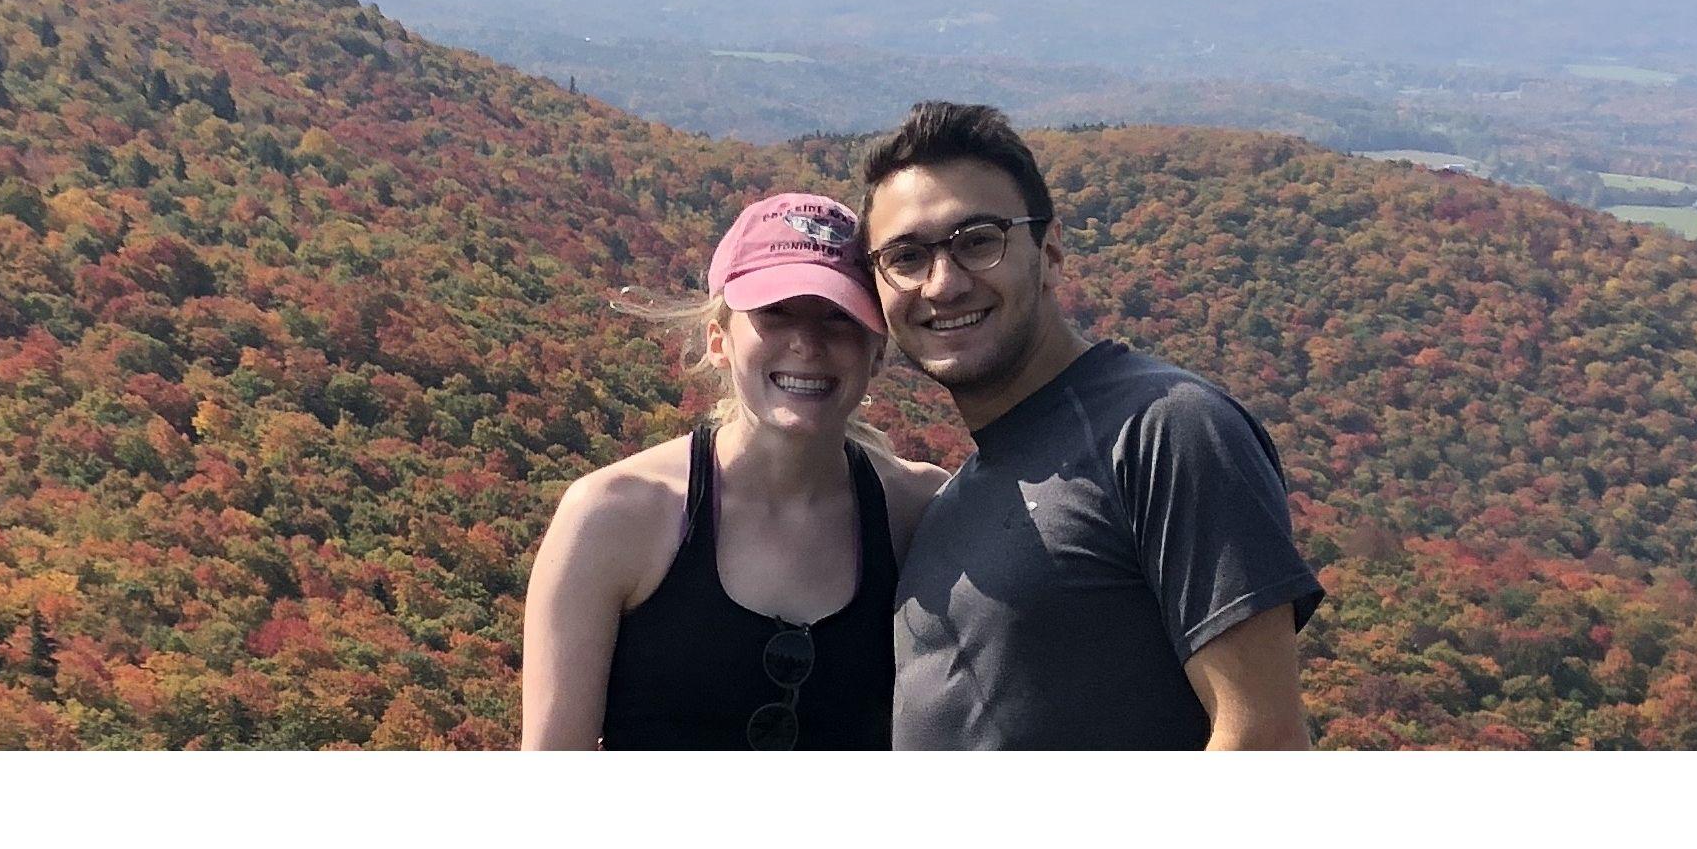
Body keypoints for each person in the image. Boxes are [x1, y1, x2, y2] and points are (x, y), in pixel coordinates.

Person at [859, 101, 1324, 749]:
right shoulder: (954, 499)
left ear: (1049, 254)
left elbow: (1260, 736)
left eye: (977, 242)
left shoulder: (1164, 429)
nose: (942, 283)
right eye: (906, 256)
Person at [521, 192, 948, 749]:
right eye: (775, 313)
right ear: (718, 341)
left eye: (838, 319)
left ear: (877, 353)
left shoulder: (922, 514)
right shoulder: (613, 518)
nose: (807, 343)